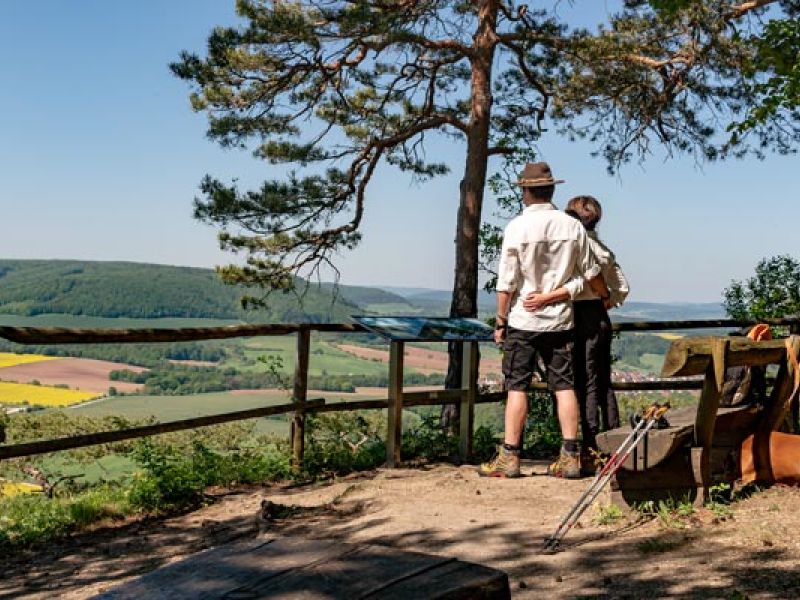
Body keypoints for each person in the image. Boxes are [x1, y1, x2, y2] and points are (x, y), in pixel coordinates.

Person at [478, 163, 610, 479]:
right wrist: (585, 296)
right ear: (551, 190)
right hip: (561, 321)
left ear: (525, 191)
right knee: (565, 386)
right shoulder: (572, 227)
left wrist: (501, 321)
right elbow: (589, 276)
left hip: (524, 320)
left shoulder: (516, 228)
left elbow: (506, 282)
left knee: (517, 386)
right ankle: (570, 456)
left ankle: (510, 457)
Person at [542, 196, 629, 473]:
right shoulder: (602, 249)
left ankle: (588, 450)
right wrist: (604, 302)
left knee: (579, 382)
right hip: (598, 318)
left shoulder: (571, 247)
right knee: (602, 381)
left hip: (574, 316)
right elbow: (622, 288)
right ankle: (611, 442)